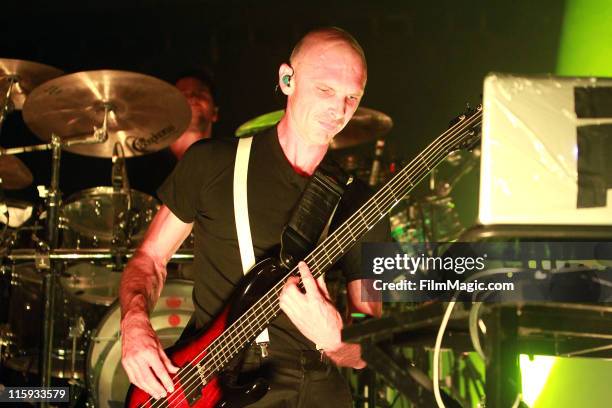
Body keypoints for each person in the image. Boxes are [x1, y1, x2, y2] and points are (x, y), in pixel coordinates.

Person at [120, 27, 388, 407]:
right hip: (208, 380)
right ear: (287, 79)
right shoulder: (211, 163)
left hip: (310, 384)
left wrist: (337, 341)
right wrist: (133, 326)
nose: (339, 110)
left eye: (351, 97)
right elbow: (149, 260)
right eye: (325, 90)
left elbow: (370, 346)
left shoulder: (362, 201)